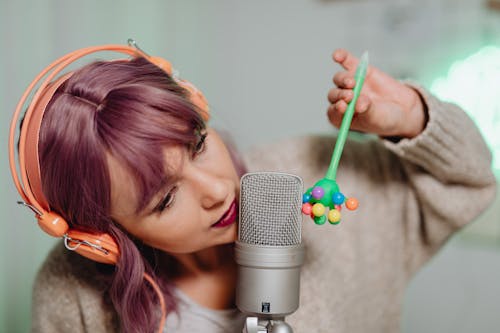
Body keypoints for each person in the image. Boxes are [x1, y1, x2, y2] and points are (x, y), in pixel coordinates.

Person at [15, 45, 496, 333]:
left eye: (200, 145)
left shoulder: (308, 173)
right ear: (104, 239)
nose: (218, 191)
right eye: (165, 199)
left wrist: (412, 119)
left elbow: (471, 181)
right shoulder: (69, 290)